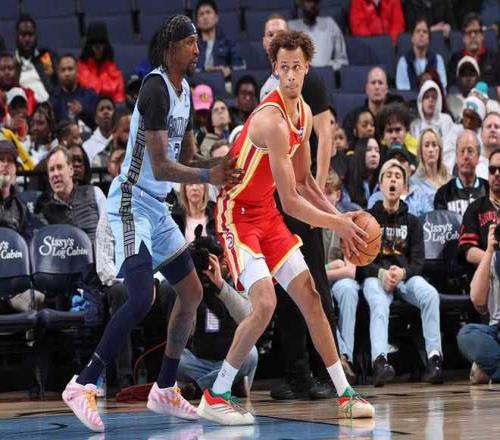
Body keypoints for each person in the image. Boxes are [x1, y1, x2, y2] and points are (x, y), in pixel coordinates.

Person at [61, 15, 242, 433]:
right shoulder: (155, 88)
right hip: (130, 200)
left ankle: (164, 387)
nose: (198, 49)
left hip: (157, 207)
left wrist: (222, 166)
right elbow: (160, 165)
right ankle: (82, 383)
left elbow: (189, 157)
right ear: (171, 47)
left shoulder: (185, 92)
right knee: (142, 296)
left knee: (192, 291)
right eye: (191, 43)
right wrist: (208, 176)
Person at [196, 30, 374, 425]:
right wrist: (339, 224)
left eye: (297, 67)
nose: (291, 75)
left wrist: (340, 215)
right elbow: (291, 200)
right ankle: (217, 394)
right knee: (265, 303)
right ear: (275, 69)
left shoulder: (305, 114)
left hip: (266, 213)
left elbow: (306, 182)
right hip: (236, 214)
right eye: (284, 67)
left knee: (311, 295)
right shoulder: (272, 121)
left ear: (307, 68)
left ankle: (345, 394)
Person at [260, 14, 340, 400]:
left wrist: (323, 202)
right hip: (269, 203)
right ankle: (297, 374)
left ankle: (328, 373)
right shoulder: (269, 98)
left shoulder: (309, 94)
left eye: (297, 66)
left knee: (315, 287)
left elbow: (320, 146)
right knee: (287, 291)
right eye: (271, 36)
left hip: (296, 196)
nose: (290, 73)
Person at [360, 159, 443, 386]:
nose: (393, 180)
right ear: (380, 185)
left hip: (405, 277)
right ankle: (380, 362)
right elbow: (361, 261)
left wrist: (403, 273)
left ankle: (434, 359)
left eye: (398, 176)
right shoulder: (368, 219)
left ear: (404, 187)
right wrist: (382, 274)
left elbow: (419, 261)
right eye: (389, 176)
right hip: (377, 277)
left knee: (430, 295)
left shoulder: (413, 222)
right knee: (379, 302)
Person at [323, 171, 358, 383]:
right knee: (320, 296)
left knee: (349, 289)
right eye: (322, 193)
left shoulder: (347, 223)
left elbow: (350, 271)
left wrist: (327, 270)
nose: (325, 198)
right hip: (318, 281)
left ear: (338, 195)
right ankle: (339, 357)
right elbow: (309, 271)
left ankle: (346, 356)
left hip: (336, 280)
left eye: (329, 193)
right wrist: (330, 266)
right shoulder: (311, 223)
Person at [457, 222, 500, 385]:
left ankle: (492, 368)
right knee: (467, 333)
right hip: (496, 329)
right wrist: (489, 251)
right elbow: (477, 300)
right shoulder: (494, 257)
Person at [458, 149, 500, 268]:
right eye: (492, 170)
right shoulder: (475, 208)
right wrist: (495, 261)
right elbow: (468, 251)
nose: (497, 173)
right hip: (485, 273)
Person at [368, 144, 433, 216]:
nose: (397, 163)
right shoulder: (376, 198)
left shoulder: (420, 195)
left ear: (410, 169)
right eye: (393, 160)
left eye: (401, 160)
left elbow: (430, 219)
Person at [342, 67, 403, 144]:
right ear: (367, 88)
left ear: (386, 89)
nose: (376, 87)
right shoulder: (353, 117)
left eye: (380, 83)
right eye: (373, 83)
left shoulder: (395, 116)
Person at [434, 130, 487, 216]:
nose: (466, 156)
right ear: (456, 157)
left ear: (478, 157)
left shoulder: (489, 190)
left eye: (470, 151)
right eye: (462, 151)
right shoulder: (443, 194)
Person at [447, 13, 500, 94]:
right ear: (463, 38)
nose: (472, 36)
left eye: (476, 32)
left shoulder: (495, 58)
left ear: (482, 35)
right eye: (469, 32)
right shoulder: (455, 60)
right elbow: (452, 89)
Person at [288, 0, 348, 71]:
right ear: (301, 5)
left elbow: (342, 60)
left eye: (315, 2)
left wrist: (328, 69)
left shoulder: (330, 24)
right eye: (309, 2)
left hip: (326, 73)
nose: (312, 5)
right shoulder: (291, 27)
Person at [195, 0, 245, 79]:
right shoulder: (193, 45)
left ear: (216, 18)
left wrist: (228, 70)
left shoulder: (228, 43)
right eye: (201, 14)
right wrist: (204, 70)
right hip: (198, 83)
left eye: (208, 12)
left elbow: (241, 66)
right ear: (197, 22)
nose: (205, 17)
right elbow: (186, 70)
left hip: (223, 82)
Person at [78, 22, 125, 104]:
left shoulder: (115, 72)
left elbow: (119, 100)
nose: (98, 47)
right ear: (89, 45)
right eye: (94, 42)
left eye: (101, 42)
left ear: (106, 45)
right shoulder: (79, 70)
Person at [14, 14, 57, 103]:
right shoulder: (12, 63)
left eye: (30, 35)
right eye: (23, 35)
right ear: (17, 37)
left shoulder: (46, 58)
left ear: (36, 36)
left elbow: (54, 84)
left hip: (48, 106)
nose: (27, 39)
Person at [395, 18, 447, 91]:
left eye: (425, 32)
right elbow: (403, 90)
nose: (421, 34)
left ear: (429, 39)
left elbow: (442, 87)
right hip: (411, 98)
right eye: (418, 31)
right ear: (412, 38)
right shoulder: (403, 61)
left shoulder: (438, 59)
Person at [50, 54, 97, 130]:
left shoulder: (89, 95)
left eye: (70, 69)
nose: (67, 73)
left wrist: (83, 111)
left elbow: (98, 121)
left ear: (77, 71)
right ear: (58, 73)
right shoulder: (53, 98)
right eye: (63, 70)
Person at [410, 128, 450, 208]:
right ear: (420, 151)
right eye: (426, 145)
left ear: (439, 149)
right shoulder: (413, 182)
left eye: (434, 145)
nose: (431, 150)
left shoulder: (450, 181)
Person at [342, 137, 381, 209]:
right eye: (369, 150)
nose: (374, 154)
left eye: (377, 150)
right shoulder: (348, 179)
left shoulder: (381, 183)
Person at [82, 96, 114, 166]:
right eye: (101, 109)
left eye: (109, 108)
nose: (106, 112)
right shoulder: (86, 147)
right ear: (96, 119)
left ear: (115, 115)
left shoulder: (123, 143)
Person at [446, 56, 480, 122]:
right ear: (458, 78)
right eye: (464, 75)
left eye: (471, 74)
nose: (468, 78)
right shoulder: (451, 99)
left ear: (477, 77)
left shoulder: (487, 101)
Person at [476, 112, 500, 180]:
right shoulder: (471, 165)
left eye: (497, 127)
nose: (492, 130)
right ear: (481, 134)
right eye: (489, 126)